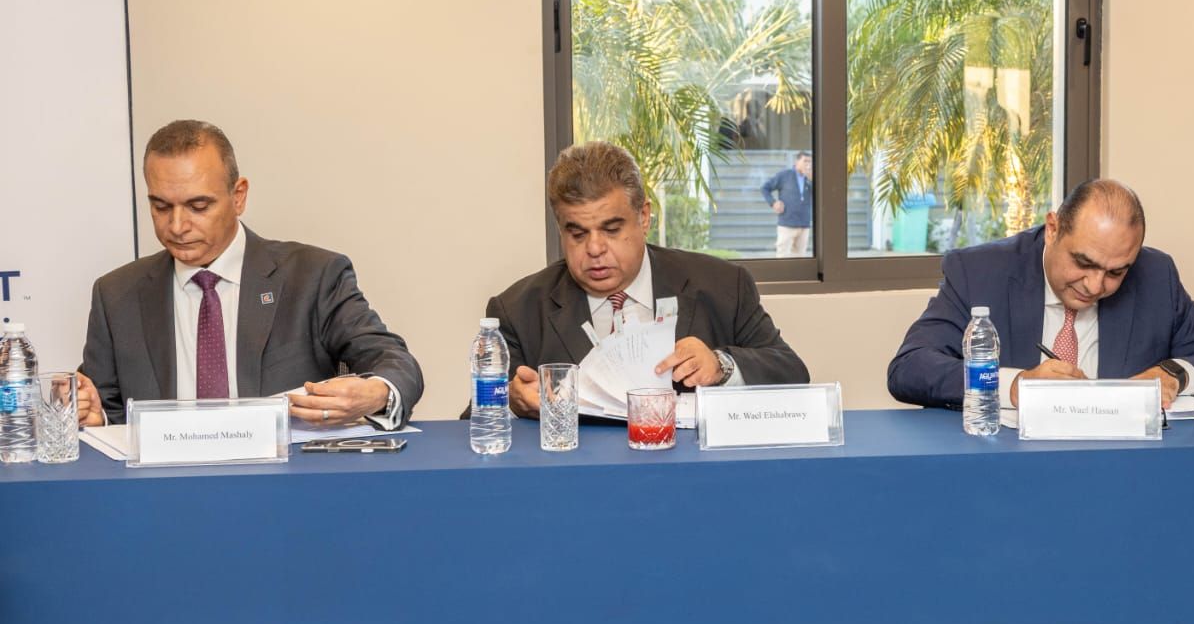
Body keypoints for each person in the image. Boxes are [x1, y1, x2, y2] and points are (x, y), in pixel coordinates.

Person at [77, 120, 423, 429]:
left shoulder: (313, 277)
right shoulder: (116, 295)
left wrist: (377, 392)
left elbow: (393, 361)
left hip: (287, 476)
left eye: (198, 206)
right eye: (161, 207)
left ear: (238, 196)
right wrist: (93, 416)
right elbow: (106, 412)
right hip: (163, 478)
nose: (177, 226)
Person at [486, 141, 808, 417]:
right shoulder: (517, 310)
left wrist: (721, 366)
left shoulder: (723, 285)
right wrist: (510, 403)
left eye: (612, 230)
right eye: (578, 234)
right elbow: (476, 424)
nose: (594, 248)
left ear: (643, 217)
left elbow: (792, 372)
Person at [888, 179, 1194, 409]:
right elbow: (910, 368)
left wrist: (1173, 373)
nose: (1095, 285)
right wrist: (1014, 385)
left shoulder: (1154, 275)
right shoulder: (980, 272)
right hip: (1006, 467)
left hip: (1121, 469)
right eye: (1083, 262)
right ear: (1053, 229)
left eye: (1116, 272)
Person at [762, 151, 814, 257]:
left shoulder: (810, 178)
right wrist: (773, 202)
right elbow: (765, 188)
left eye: (810, 162)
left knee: (800, 258)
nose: (808, 164)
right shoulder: (784, 175)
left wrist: (812, 180)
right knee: (783, 257)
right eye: (805, 161)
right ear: (797, 162)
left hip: (804, 224)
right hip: (787, 224)